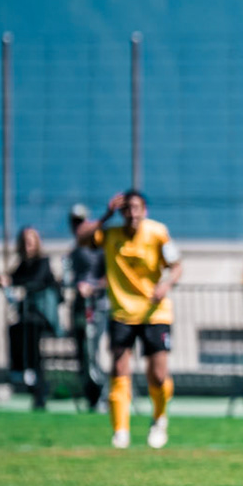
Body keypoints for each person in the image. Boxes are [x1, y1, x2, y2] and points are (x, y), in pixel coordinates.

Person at [75, 190, 182, 449]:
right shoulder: (109, 234)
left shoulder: (158, 232)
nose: (132, 214)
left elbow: (176, 266)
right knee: (120, 369)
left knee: (157, 375)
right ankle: (120, 431)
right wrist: (105, 215)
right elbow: (81, 239)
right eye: (127, 209)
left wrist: (165, 286)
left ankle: (159, 419)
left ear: (144, 210)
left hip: (154, 313)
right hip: (122, 313)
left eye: (137, 208)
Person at [0, 227, 60, 411]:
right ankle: (21, 370)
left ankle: (37, 387)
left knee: (30, 340)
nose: (28, 244)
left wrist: (11, 281)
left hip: (44, 317)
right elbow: (14, 278)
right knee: (15, 329)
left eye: (31, 240)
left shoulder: (43, 262)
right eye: (24, 241)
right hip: (28, 320)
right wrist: (4, 281)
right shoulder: (23, 263)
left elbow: (34, 280)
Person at [63, 205, 108, 412]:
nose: (77, 226)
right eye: (74, 222)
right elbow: (68, 278)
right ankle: (90, 394)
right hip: (80, 306)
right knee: (82, 352)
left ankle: (102, 394)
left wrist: (93, 287)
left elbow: (111, 277)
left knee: (93, 351)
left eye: (81, 222)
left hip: (98, 307)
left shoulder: (100, 249)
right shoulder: (72, 252)